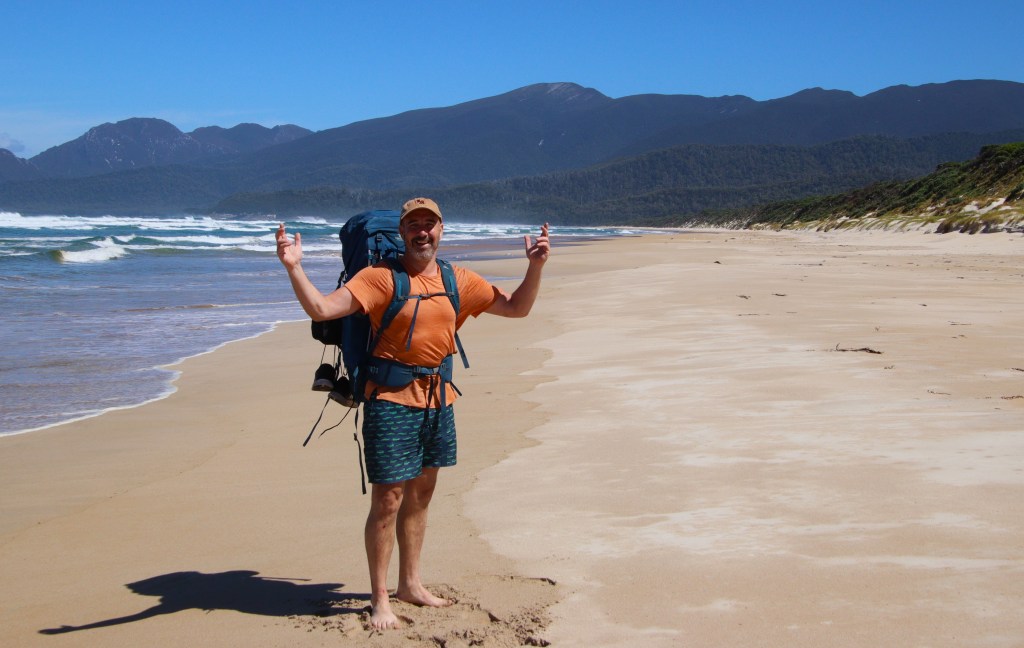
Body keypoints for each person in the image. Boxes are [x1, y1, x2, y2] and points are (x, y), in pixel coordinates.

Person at [275, 197, 549, 630]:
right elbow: (323, 310)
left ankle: (411, 585)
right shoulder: (381, 278)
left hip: (439, 401)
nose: (422, 231)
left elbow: (517, 307)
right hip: (389, 400)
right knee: (388, 500)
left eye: (430, 224)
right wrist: (293, 267)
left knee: (421, 496)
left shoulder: (458, 280)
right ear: (402, 233)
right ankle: (380, 598)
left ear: (442, 230)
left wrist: (535, 266)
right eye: (414, 225)